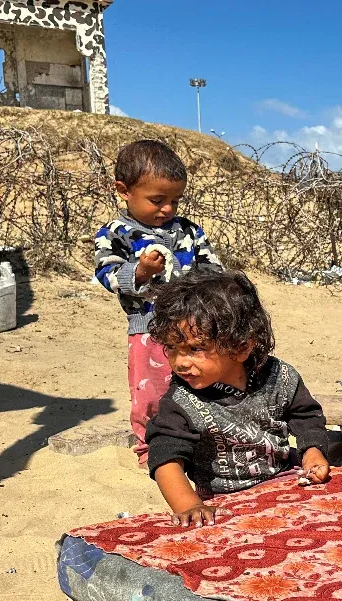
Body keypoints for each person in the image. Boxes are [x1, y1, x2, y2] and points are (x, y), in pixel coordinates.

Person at [145, 271, 331, 527]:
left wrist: (312, 452)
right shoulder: (181, 399)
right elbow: (165, 455)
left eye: (195, 349)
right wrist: (189, 506)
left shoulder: (280, 378)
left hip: (286, 482)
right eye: (171, 349)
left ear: (242, 346)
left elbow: (306, 416)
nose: (179, 362)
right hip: (223, 502)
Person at [93, 140, 223, 467]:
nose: (167, 209)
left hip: (195, 329)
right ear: (124, 190)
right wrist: (139, 271)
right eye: (157, 200)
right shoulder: (116, 233)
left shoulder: (189, 232)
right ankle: (150, 451)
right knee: (150, 395)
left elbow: (211, 268)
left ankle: (199, 442)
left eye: (175, 201)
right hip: (148, 331)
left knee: (198, 385)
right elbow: (105, 272)